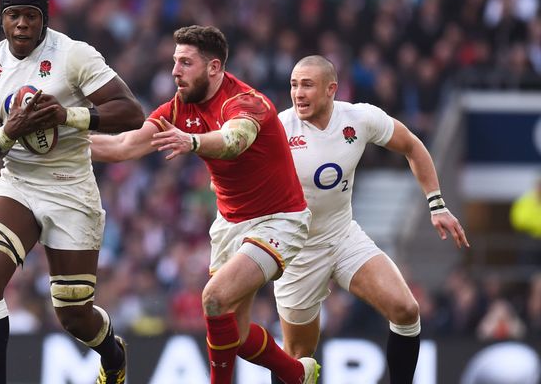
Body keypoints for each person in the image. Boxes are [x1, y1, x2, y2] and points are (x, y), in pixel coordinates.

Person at [91, 25, 320, 384]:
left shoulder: (247, 102)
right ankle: (297, 374)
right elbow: (124, 146)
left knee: (213, 299)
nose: (174, 71)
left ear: (214, 68)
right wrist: (60, 144)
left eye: (185, 63)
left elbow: (235, 139)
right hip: (231, 224)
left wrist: (192, 141)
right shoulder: (180, 107)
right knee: (238, 335)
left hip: (278, 220)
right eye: (174, 62)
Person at [0, 0, 144, 384]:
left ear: (44, 18)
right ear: (2, 20)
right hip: (19, 182)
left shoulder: (73, 55)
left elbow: (131, 111)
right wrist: (10, 130)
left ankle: (113, 355)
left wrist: (70, 115)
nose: (23, 24)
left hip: (70, 187)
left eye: (31, 15)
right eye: (14, 16)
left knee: (74, 316)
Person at [272, 55, 469, 384]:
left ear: (331, 89)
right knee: (298, 361)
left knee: (406, 311)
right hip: (298, 253)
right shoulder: (279, 129)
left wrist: (436, 205)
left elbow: (413, 146)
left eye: (307, 84)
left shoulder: (359, 119)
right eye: (293, 85)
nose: (297, 93)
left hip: (342, 236)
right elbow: (238, 163)